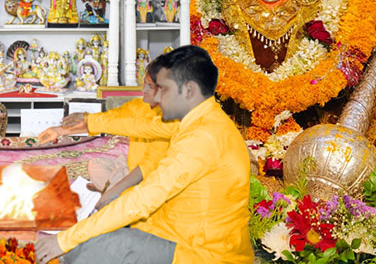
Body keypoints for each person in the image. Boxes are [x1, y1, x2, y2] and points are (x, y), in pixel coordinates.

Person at [36, 45, 253, 264]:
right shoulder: (199, 119)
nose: (156, 97)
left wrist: (65, 240)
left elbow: (145, 197)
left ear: (188, 90)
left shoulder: (203, 137)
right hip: (175, 231)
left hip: (202, 253)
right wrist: (85, 123)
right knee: (94, 235)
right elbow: (137, 125)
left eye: (164, 89)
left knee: (98, 246)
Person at [39, 62, 175, 207]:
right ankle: (113, 191)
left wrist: (112, 192)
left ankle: (114, 194)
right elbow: (111, 119)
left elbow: (147, 166)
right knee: (96, 165)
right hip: (129, 167)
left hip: (149, 179)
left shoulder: (168, 119)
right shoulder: (139, 106)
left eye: (150, 86)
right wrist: (59, 131)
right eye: (144, 83)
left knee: (127, 191)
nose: (143, 89)